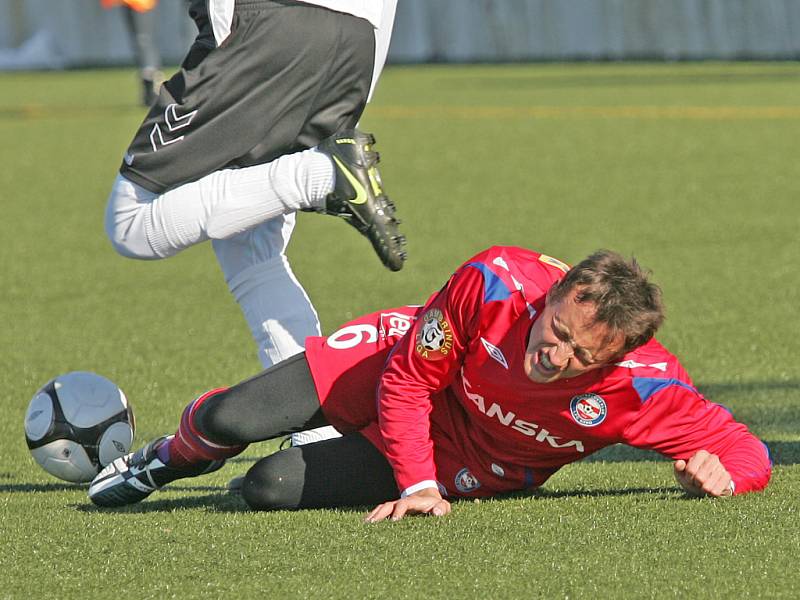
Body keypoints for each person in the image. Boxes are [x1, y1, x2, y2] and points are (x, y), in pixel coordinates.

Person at [88, 246, 772, 519]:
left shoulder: (645, 387)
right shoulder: (495, 282)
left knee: (265, 488)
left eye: (578, 356)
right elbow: (412, 378)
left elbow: (747, 450)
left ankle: (321, 450)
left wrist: (721, 474)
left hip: (470, 458)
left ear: (616, 359)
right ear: (553, 293)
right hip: (405, 364)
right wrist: (416, 484)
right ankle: (167, 458)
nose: (552, 355)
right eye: (555, 330)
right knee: (230, 421)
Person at [103, 0, 403, 445]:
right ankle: (317, 436)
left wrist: (227, 39)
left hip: (266, 25)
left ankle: (321, 177)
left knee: (132, 222)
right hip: (358, 40)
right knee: (251, 246)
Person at [100, 0, 164, 105]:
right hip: (133, 3)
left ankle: (152, 83)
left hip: (142, 4)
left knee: (143, 40)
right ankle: (148, 86)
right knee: (140, 42)